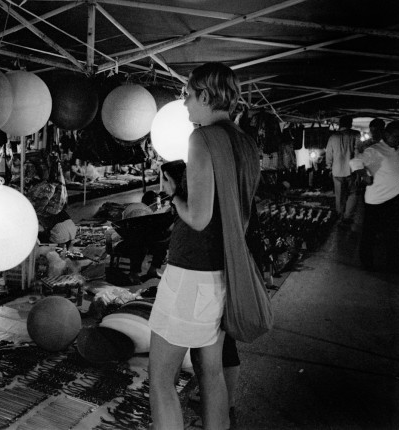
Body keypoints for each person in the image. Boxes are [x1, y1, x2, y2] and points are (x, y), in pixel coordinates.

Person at [148, 62, 260, 430]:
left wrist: (173, 196)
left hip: (190, 274)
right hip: (221, 273)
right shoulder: (246, 143)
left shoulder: (202, 139)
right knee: (211, 373)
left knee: (161, 380)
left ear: (207, 95)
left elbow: (197, 217)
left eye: (188, 94)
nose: (184, 103)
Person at [350, 120, 399, 272]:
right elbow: (355, 162)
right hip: (376, 199)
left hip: (396, 197)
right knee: (370, 233)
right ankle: (367, 263)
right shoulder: (375, 150)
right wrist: (364, 176)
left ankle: (393, 263)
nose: (398, 139)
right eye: (396, 136)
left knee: (393, 234)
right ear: (387, 134)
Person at [115, 190, 170, 284]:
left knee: (161, 245)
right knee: (140, 246)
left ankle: (152, 271)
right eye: (156, 204)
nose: (157, 207)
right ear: (152, 203)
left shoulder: (140, 208)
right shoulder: (143, 211)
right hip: (132, 242)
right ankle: (133, 274)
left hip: (139, 239)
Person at [325, 116, 360, 228]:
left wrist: (329, 166)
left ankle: (340, 216)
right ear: (350, 123)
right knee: (353, 193)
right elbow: (358, 152)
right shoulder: (355, 134)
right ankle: (347, 216)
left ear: (340, 124)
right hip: (351, 170)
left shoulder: (333, 136)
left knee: (339, 196)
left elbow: (328, 154)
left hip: (336, 171)